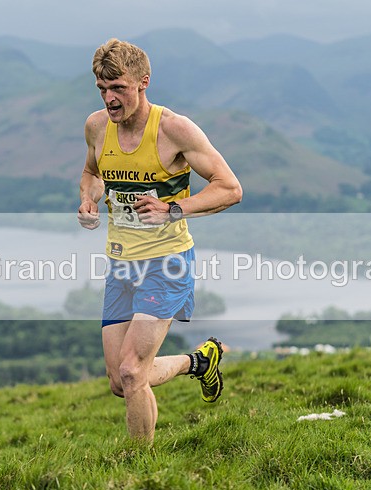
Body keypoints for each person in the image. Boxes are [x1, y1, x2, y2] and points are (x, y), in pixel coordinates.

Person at [77, 38, 243, 443]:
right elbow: (92, 172)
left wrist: (173, 209)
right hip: (121, 265)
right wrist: (88, 199)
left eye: (118, 87)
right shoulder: (97, 126)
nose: (110, 99)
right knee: (121, 380)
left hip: (167, 263)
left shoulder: (173, 130)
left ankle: (141, 474)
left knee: (134, 370)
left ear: (143, 82)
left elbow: (230, 188)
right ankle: (198, 362)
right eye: (102, 88)